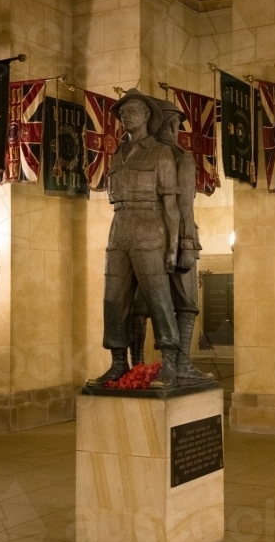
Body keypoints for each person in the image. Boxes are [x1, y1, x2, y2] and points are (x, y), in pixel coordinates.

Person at [85, 89, 181, 389]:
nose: (126, 115)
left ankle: (169, 364)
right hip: (119, 226)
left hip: (151, 226)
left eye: (133, 111)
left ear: (147, 116)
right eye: (123, 112)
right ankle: (117, 363)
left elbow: (171, 205)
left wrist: (173, 246)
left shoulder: (161, 152)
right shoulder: (117, 153)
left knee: (158, 297)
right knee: (113, 298)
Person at [130, 100, 215, 389]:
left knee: (139, 304)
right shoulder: (179, 156)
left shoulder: (141, 154)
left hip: (143, 239)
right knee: (186, 304)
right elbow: (184, 205)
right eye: (177, 124)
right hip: (175, 238)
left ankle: (137, 365)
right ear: (171, 124)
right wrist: (188, 242)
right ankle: (180, 365)